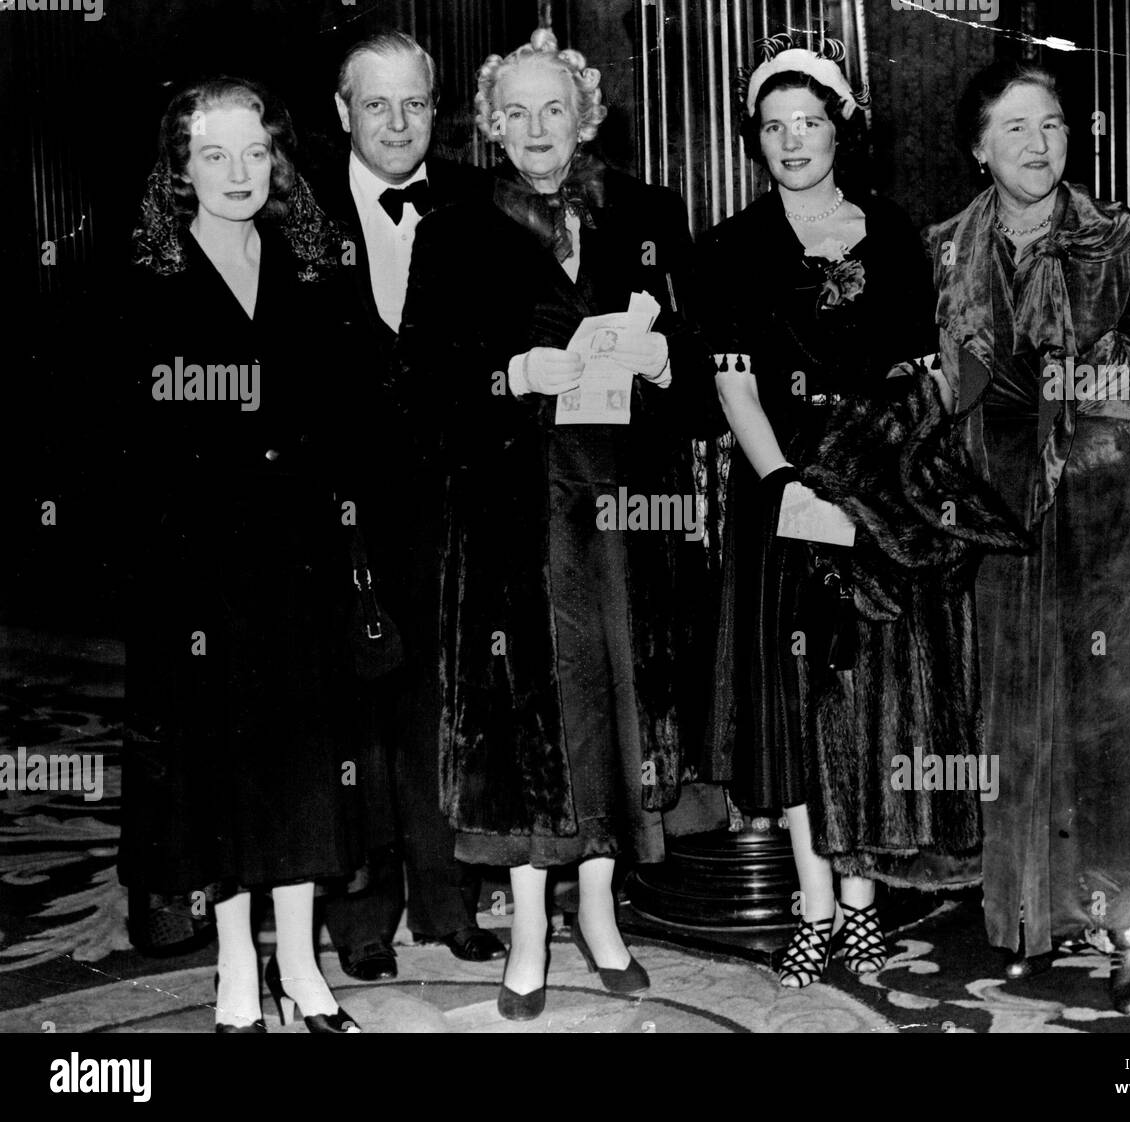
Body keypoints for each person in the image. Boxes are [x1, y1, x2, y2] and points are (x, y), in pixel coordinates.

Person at [698, 38, 1027, 990]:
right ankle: (810, 908)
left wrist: (933, 417)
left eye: (810, 122)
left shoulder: (896, 237)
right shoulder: (729, 248)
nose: (793, 141)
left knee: (870, 709)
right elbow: (735, 387)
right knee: (796, 715)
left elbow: (932, 369)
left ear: (841, 128)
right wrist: (785, 488)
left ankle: (859, 904)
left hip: (880, 505)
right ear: (754, 139)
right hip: (787, 497)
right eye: (774, 126)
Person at [393, 28, 707, 1021]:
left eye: (553, 109)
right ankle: (529, 928)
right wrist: (513, 375)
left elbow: (696, 361)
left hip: (625, 510)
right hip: (511, 518)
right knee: (531, 718)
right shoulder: (452, 227)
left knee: (618, 702)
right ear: (489, 126)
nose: (536, 129)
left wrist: (665, 367)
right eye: (514, 112)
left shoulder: (650, 215)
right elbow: (422, 387)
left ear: (587, 117)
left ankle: (601, 914)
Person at [926, 60, 1130, 1015]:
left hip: (1113, 509)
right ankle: (1040, 915)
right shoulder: (943, 253)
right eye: (1013, 128)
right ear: (979, 147)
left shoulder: (1120, 241)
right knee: (1027, 728)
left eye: (1051, 125)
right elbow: (944, 395)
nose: (1036, 144)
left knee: (1120, 732)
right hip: (1007, 520)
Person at [119, 77, 361, 1032]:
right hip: (198, 573)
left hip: (299, 564)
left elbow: (347, 408)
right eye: (213, 154)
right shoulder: (148, 277)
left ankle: (302, 969)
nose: (237, 173)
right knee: (219, 776)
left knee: (301, 772)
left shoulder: (311, 265)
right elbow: (123, 434)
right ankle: (233, 974)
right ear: (180, 168)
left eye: (254, 152)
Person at [312, 29, 504, 982]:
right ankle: (360, 916)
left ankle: (448, 900)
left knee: (447, 704)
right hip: (336, 510)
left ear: (439, 109)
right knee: (355, 716)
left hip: (453, 499)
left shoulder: (475, 200)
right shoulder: (289, 209)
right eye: (375, 104)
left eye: (415, 103)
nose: (397, 123)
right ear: (342, 113)